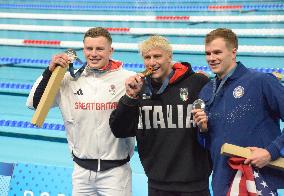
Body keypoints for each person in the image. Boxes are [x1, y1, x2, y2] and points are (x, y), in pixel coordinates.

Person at [26, 27, 135, 196]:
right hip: (81, 173)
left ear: (110, 50)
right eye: (89, 48)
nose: (93, 54)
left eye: (99, 49)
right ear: (83, 50)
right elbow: (34, 103)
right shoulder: (68, 79)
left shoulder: (127, 79)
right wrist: (49, 72)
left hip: (116, 173)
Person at [109, 35, 212, 196]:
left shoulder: (197, 82)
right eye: (147, 57)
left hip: (194, 184)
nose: (152, 62)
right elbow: (119, 130)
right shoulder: (140, 89)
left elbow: (216, 122)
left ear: (169, 57)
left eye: (157, 56)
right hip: (157, 184)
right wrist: (130, 97)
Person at [192, 28, 284, 195]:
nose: (211, 58)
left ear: (233, 52)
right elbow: (208, 143)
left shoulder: (261, 82)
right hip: (222, 182)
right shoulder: (207, 91)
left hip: (258, 181)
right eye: (208, 53)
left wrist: (271, 151)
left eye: (217, 52)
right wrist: (203, 129)